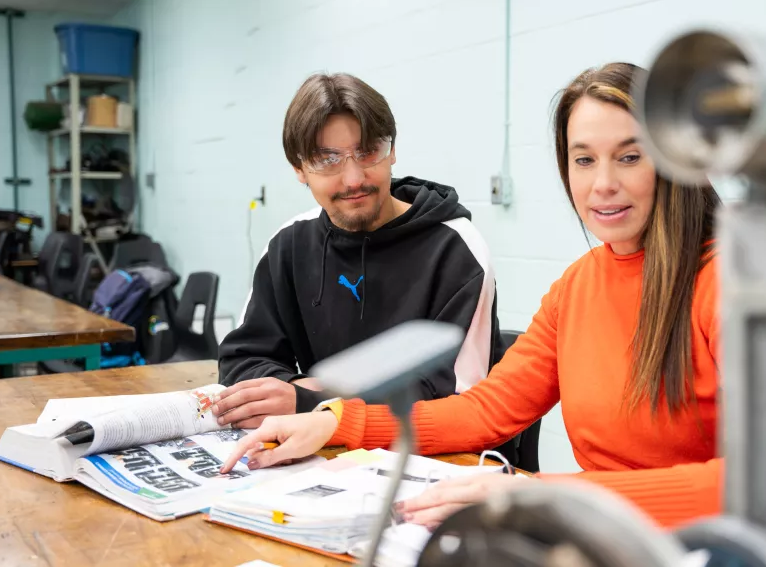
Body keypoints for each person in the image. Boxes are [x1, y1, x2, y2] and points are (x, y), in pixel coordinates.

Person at [222, 63, 723, 530]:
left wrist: (541, 497)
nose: (603, 184)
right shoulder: (577, 286)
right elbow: (484, 412)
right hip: (610, 538)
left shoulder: (728, 283)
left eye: (630, 157)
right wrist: (334, 420)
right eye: (584, 160)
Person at [213, 73, 501, 429]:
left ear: (392, 150)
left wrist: (314, 401)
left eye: (367, 152)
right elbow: (244, 359)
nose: (353, 179)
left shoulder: (456, 249)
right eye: (327, 159)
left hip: (428, 459)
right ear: (299, 169)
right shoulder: (289, 245)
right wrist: (293, 390)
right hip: (322, 453)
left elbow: (453, 396)